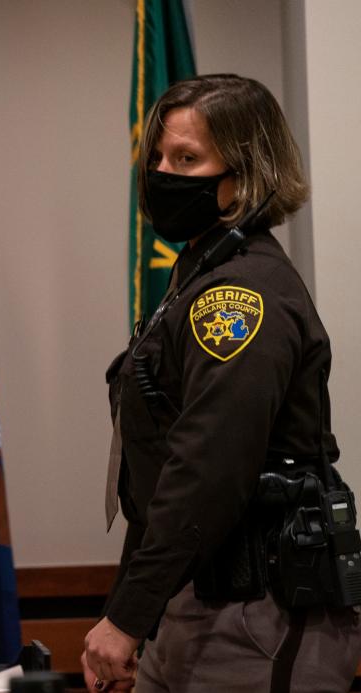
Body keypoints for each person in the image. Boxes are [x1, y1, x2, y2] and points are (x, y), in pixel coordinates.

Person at [82, 74, 361, 692]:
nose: (161, 173)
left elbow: (207, 468)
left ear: (244, 179)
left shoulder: (239, 295)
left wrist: (128, 618)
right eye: (157, 156)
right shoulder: (198, 278)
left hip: (256, 618)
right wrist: (128, 611)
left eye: (187, 159)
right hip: (198, 608)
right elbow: (155, 478)